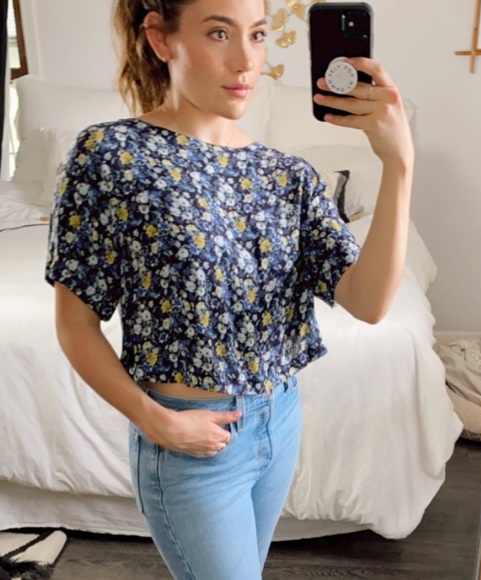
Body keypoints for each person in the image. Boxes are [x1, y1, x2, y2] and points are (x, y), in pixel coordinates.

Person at [45, 0, 414, 578]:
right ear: (161, 39)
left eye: (258, 35)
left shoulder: (288, 175)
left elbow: (368, 303)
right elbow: (75, 323)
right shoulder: (111, 156)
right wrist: (154, 420)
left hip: (278, 419)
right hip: (188, 437)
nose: (246, 60)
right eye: (219, 33)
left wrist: (399, 164)